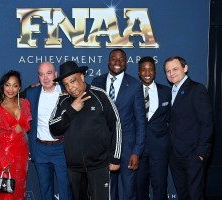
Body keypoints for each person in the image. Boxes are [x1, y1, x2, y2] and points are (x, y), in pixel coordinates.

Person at [49, 61, 122, 200]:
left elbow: (116, 125)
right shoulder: (63, 101)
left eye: (73, 81)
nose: (71, 87)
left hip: (99, 165)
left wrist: (115, 158)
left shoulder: (100, 95)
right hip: (74, 168)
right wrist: (71, 110)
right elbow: (54, 128)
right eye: (66, 84)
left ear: (82, 77)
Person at [91, 48, 146, 200]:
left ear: (126, 63)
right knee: (108, 190)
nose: (117, 62)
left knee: (129, 191)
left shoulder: (135, 85)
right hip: (103, 147)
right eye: (114, 59)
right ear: (108, 61)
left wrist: (136, 151)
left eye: (121, 59)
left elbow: (141, 122)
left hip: (127, 148)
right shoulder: (97, 82)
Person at [164, 56, 213, 200]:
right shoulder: (171, 91)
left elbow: (207, 123)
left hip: (193, 155)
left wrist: (201, 153)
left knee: (195, 195)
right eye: (168, 71)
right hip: (175, 155)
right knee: (183, 194)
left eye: (175, 69)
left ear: (185, 68)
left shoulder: (197, 89)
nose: (171, 73)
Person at [26, 62, 72, 200]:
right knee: (45, 189)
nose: (45, 78)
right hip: (40, 148)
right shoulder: (31, 93)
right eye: (41, 74)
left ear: (56, 74)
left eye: (49, 73)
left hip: (62, 148)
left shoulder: (67, 92)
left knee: (65, 189)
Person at [0, 70, 32, 200]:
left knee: (19, 190)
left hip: (21, 155)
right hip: (3, 154)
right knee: (5, 192)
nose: (10, 89)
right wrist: (2, 159)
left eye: (14, 85)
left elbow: (25, 128)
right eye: (7, 85)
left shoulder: (25, 103)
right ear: (2, 86)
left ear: (19, 88)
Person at [136, 56, 171, 200]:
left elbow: (173, 119)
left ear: (155, 72)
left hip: (160, 149)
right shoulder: (132, 91)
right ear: (139, 72)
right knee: (139, 188)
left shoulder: (167, 92)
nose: (147, 72)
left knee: (160, 186)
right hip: (138, 150)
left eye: (150, 69)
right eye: (143, 69)